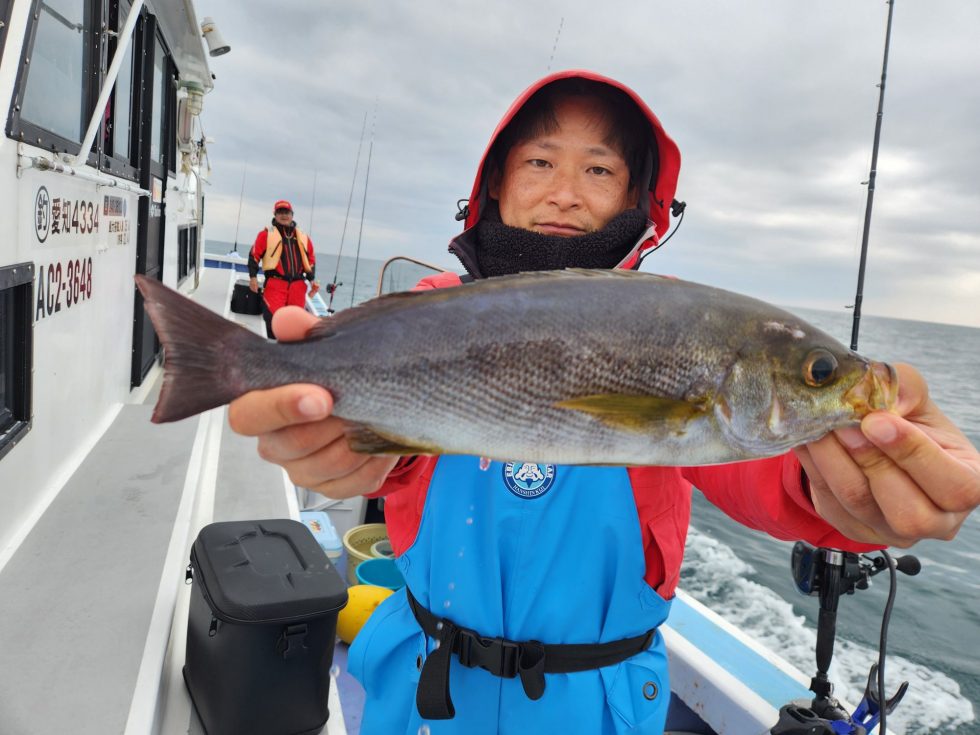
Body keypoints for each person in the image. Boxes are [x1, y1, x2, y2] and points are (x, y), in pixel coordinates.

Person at [228, 71, 980, 734]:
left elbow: (772, 475)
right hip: (422, 686)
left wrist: (848, 489)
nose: (565, 190)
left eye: (598, 168)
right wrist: (336, 454)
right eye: (540, 161)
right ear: (494, 181)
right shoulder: (428, 309)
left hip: (594, 703)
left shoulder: (683, 329)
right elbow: (390, 463)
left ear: (634, 195)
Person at [248, 199, 320, 338]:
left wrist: (312, 280)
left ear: (292, 215)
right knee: (274, 321)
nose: (284, 215)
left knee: (295, 324)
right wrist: (253, 277)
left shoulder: (304, 237)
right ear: (275, 215)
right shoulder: (265, 235)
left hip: (298, 287)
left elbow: (311, 260)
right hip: (275, 285)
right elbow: (254, 256)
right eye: (280, 212)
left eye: (286, 212)